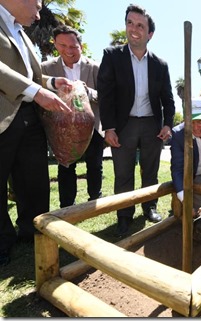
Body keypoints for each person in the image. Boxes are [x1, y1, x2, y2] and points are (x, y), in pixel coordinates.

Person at [0, 0, 72, 266]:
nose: (40, 14)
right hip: (3, 114)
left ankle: (32, 232)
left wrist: (52, 83)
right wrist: (36, 92)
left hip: (30, 116)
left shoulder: (21, 32)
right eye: (38, 6)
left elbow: (31, 75)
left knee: (34, 179)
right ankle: (2, 242)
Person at [98, 4, 175, 236]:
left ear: (149, 34)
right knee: (123, 174)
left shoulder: (160, 65)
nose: (134, 29)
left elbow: (168, 99)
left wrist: (167, 124)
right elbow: (105, 95)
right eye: (130, 23)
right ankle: (124, 216)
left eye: (140, 25)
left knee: (150, 171)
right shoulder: (112, 56)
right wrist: (109, 127)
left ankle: (149, 208)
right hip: (123, 126)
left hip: (152, 126)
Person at [42, 25, 104, 208]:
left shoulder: (95, 68)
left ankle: (95, 201)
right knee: (66, 167)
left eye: (73, 46)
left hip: (92, 127)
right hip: (62, 130)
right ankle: (67, 206)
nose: (68, 51)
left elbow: (106, 97)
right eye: (62, 45)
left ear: (81, 46)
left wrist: (87, 92)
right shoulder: (46, 68)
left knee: (95, 166)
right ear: (55, 44)